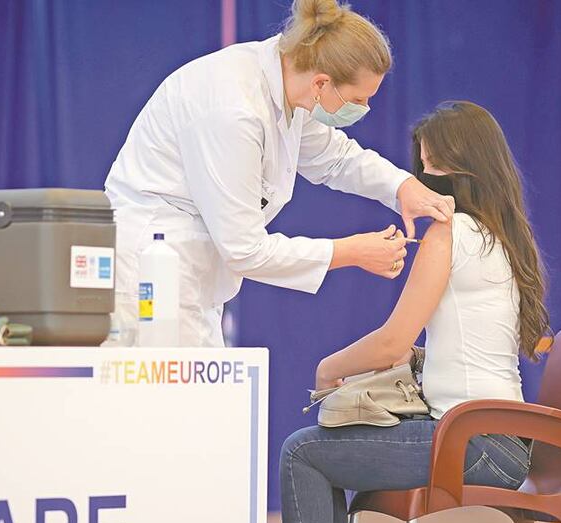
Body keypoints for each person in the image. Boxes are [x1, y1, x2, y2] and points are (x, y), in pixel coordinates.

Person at [265, 101, 550, 523]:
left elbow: (394, 340)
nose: (421, 188)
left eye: (426, 173)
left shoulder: (452, 234)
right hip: (501, 440)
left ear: (450, 170)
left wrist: (329, 368)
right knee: (325, 455)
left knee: (303, 454)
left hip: (471, 440)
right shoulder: (500, 235)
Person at [105, 0, 456, 346]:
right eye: (358, 99)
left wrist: (402, 186)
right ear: (322, 83)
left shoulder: (290, 84)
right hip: (150, 277)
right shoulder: (234, 109)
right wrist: (351, 252)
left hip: (189, 280)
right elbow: (244, 249)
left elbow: (336, 157)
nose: (364, 109)